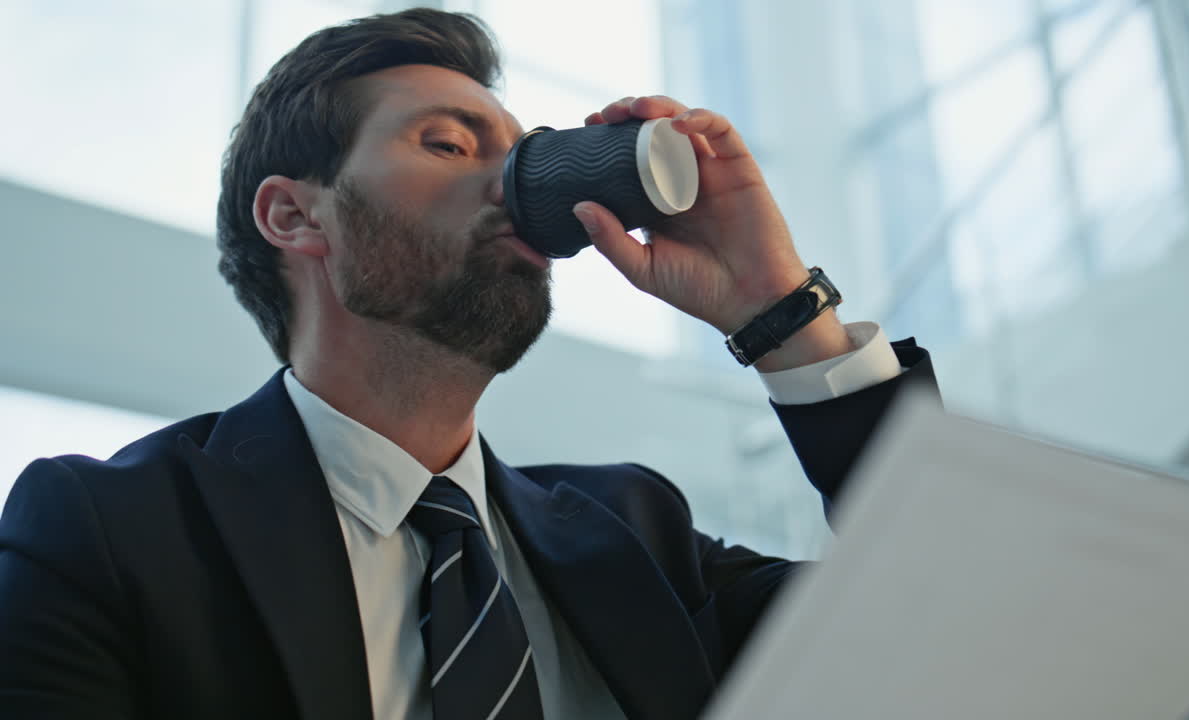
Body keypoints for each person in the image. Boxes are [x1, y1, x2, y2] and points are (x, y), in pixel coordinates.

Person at [0, 8, 935, 720]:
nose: (518, 189)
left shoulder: (639, 538)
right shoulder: (110, 533)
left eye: (530, 159)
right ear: (295, 217)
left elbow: (960, 621)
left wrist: (778, 309)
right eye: (446, 144)